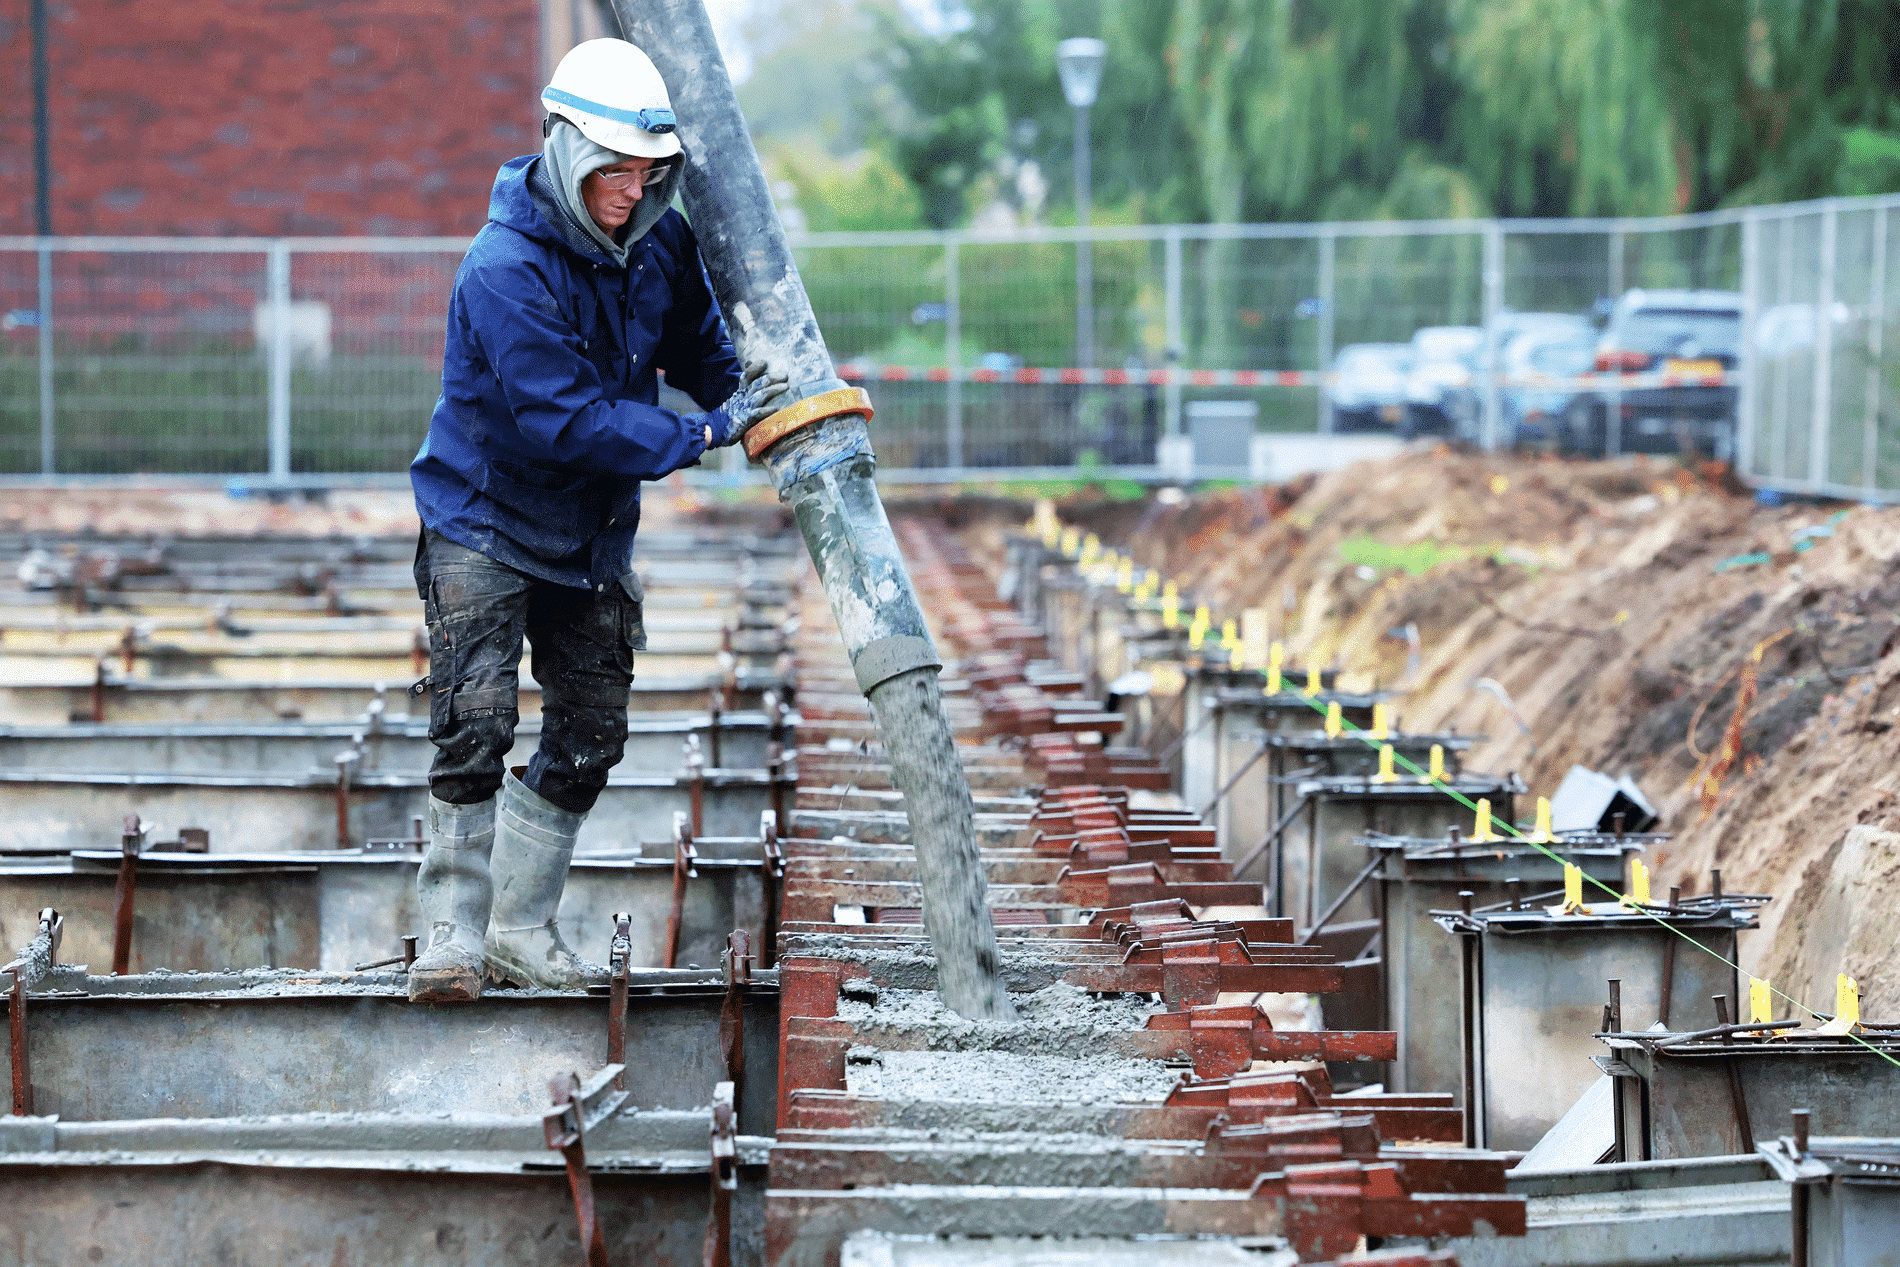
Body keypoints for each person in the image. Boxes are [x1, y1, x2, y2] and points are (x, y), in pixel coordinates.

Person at [405, 38, 784, 1003]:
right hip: (484, 519)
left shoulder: (659, 242)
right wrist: (703, 431)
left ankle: (519, 928)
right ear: (567, 150)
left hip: (590, 531)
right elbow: (564, 419)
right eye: (613, 170)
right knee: (475, 722)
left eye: (650, 172)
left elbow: (702, 346)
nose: (630, 189)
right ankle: (451, 932)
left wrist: (761, 392)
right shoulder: (502, 269)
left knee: (591, 733)